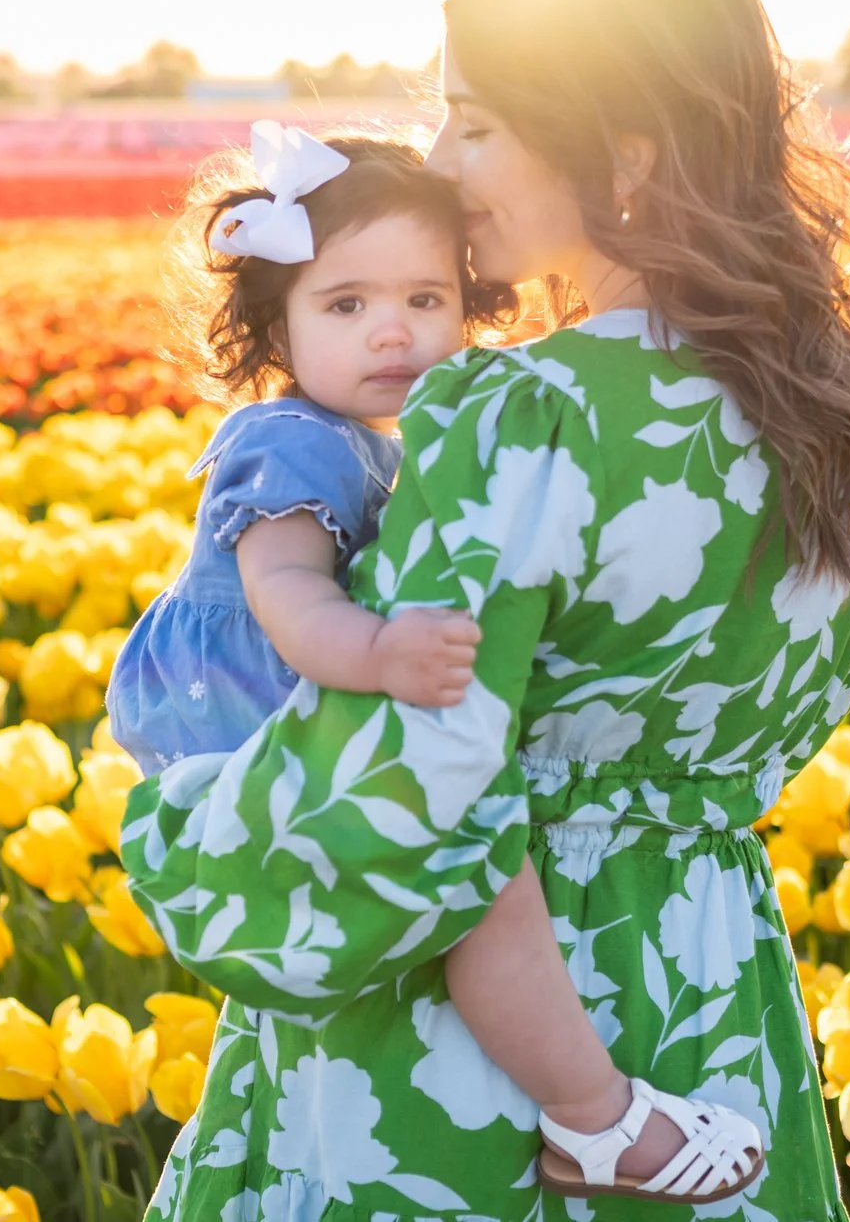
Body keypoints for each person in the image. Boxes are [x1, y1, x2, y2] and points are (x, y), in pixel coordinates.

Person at [121, 0, 850, 1219]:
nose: (439, 160)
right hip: (705, 971)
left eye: (479, 123)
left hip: (463, 1046)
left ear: (624, 152)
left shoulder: (517, 416)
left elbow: (414, 778)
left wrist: (182, 828)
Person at [108, 119, 761, 1202]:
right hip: (240, 726)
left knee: (462, 857)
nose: (391, 333)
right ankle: (594, 1117)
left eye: (425, 299)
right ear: (278, 326)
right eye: (346, 304)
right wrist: (378, 650)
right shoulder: (290, 441)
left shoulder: (398, 437)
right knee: (479, 870)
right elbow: (284, 595)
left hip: (306, 721)